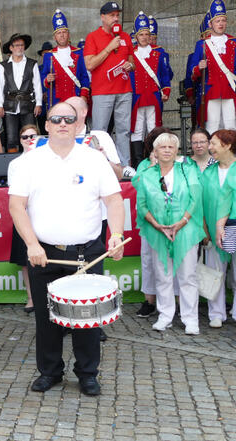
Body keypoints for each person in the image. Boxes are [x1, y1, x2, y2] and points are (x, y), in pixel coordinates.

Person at [9, 102, 125, 396]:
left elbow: (113, 199)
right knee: (46, 319)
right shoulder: (26, 163)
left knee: (86, 319)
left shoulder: (94, 160)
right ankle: (50, 372)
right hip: (43, 253)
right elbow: (16, 206)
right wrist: (32, 244)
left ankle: (87, 374)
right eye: (56, 119)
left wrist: (116, 234)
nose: (63, 123)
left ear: (77, 125)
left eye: (69, 119)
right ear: (46, 125)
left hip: (86, 253)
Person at [135, 133, 204, 335]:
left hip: (185, 229)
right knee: (162, 275)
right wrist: (157, 225)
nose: (166, 150)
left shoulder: (187, 170)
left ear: (176, 151)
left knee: (187, 275)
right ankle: (165, 316)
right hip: (158, 231)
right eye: (162, 147)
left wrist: (181, 222)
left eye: (171, 147)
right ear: (154, 152)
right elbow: (141, 205)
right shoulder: (147, 175)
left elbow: (195, 197)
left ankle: (190, 319)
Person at [84, 2, 135, 166]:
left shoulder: (125, 37)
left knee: (124, 131)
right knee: (100, 131)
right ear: (103, 17)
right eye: (112, 15)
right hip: (102, 92)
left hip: (124, 90)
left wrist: (130, 65)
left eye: (117, 15)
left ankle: (125, 166)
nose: (116, 18)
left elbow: (131, 60)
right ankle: (98, 166)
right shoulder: (92, 37)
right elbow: (89, 64)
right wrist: (108, 48)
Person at [133, 126, 173, 318]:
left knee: (174, 262)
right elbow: (136, 183)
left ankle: (175, 300)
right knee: (148, 262)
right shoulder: (143, 165)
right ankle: (150, 301)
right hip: (149, 223)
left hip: (173, 223)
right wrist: (151, 167)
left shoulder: (178, 164)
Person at [200, 129, 236, 328]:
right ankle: (216, 313)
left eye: (213, 143)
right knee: (215, 272)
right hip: (213, 231)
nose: (209, 147)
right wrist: (205, 229)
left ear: (227, 145)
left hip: (234, 227)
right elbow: (202, 203)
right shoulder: (209, 172)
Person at [129, 11, 173, 167]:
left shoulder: (158, 52)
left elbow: (164, 74)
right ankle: (138, 162)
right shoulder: (130, 53)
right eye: (141, 34)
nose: (145, 37)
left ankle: (154, 160)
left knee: (154, 129)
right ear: (136, 36)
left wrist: (166, 90)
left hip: (153, 96)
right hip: (137, 97)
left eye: (147, 34)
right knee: (137, 129)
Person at [191, 1, 236, 133]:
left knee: (231, 127)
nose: (221, 24)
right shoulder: (202, 44)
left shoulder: (233, 43)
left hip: (230, 90)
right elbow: (192, 71)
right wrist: (198, 67)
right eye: (217, 21)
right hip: (212, 91)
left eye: (223, 20)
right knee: (212, 127)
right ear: (210, 24)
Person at [9, 124, 39, 313]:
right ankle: (30, 297)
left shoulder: (47, 160)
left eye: (33, 136)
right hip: (25, 216)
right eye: (25, 137)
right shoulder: (16, 164)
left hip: (44, 216)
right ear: (20, 141)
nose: (29, 140)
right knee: (25, 261)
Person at [0, 33, 43, 152]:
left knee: (30, 136)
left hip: (28, 105)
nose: (20, 48)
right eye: (17, 45)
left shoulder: (32, 63)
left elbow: (37, 84)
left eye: (22, 45)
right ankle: (12, 164)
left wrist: (38, 103)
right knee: (11, 138)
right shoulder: (4, 66)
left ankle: (31, 162)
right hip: (10, 105)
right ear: (11, 48)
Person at [41, 10, 91, 107]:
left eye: (64, 32)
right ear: (54, 37)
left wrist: (84, 95)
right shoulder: (49, 55)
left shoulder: (78, 52)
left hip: (75, 99)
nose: (62, 35)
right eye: (59, 33)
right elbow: (43, 77)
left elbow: (84, 76)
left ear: (68, 34)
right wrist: (47, 79)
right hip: (56, 101)